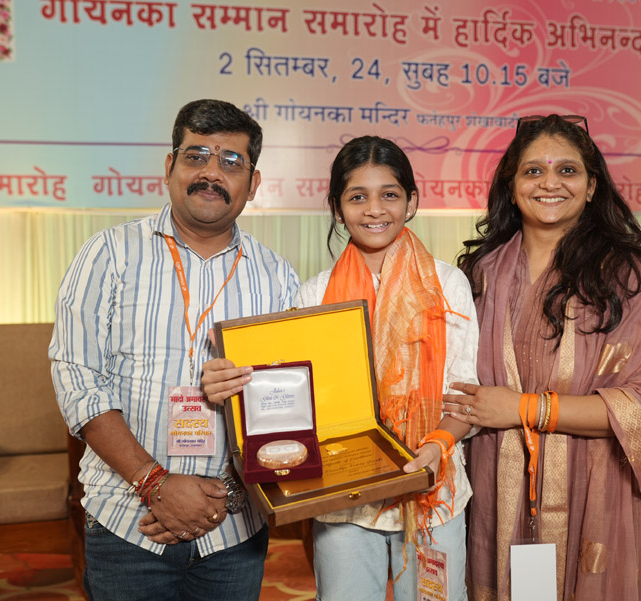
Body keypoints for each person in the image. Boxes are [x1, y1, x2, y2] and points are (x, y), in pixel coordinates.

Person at [202, 136, 479, 601]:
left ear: (411, 202)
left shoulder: (447, 285)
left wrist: (438, 445)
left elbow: (463, 390)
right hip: (342, 498)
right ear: (336, 207)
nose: (375, 210)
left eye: (389, 194)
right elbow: (295, 398)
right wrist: (233, 383)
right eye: (357, 197)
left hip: (433, 489)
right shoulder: (314, 295)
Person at [50, 99, 300, 601]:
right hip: (128, 521)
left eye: (231, 161)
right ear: (169, 167)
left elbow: (289, 401)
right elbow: (78, 381)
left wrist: (224, 497)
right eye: (196, 156)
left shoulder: (277, 277)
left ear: (253, 183)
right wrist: (155, 484)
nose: (211, 173)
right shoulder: (109, 254)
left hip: (233, 525)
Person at [445, 114, 641, 601]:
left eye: (567, 170)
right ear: (511, 186)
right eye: (533, 171)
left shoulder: (625, 279)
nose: (550, 183)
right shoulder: (479, 275)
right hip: (496, 483)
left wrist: (524, 408)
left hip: (593, 491)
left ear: (591, 187)